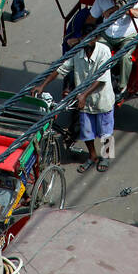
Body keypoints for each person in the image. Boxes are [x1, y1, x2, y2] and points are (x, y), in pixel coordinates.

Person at [40, 34, 115, 173]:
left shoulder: (104, 51)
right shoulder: (78, 52)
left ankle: (106, 156)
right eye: (85, 37)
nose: (89, 40)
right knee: (87, 132)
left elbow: (101, 78)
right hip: (84, 102)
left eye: (92, 37)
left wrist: (83, 95)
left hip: (102, 99)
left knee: (106, 132)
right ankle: (92, 156)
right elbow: (61, 69)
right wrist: (42, 85)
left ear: (97, 38)